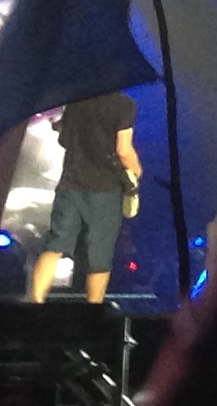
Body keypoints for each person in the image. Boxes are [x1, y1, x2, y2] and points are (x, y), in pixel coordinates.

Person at [27, 91, 139, 304]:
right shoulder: (124, 104)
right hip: (105, 189)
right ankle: (93, 309)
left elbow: (64, 140)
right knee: (99, 257)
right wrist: (136, 170)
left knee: (54, 247)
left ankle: (35, 302)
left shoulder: (75, 101)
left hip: (70, 183)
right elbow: (123, 150)